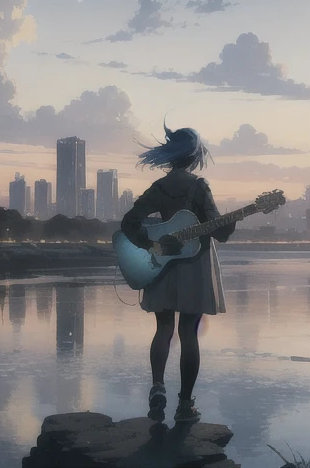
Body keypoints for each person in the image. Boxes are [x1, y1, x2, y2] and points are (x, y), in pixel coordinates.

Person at [120, 124, 237, 423]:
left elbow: (129, 222)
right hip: (194, 266)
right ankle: (185, 406)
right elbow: (220, 232)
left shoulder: (159, 187)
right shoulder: (199, 186)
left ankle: (158, 386)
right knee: (189, 333)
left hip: (162, 265)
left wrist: (152, 245)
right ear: (195, 156)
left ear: (170, 155)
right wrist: (232, 220)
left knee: (163, 329)